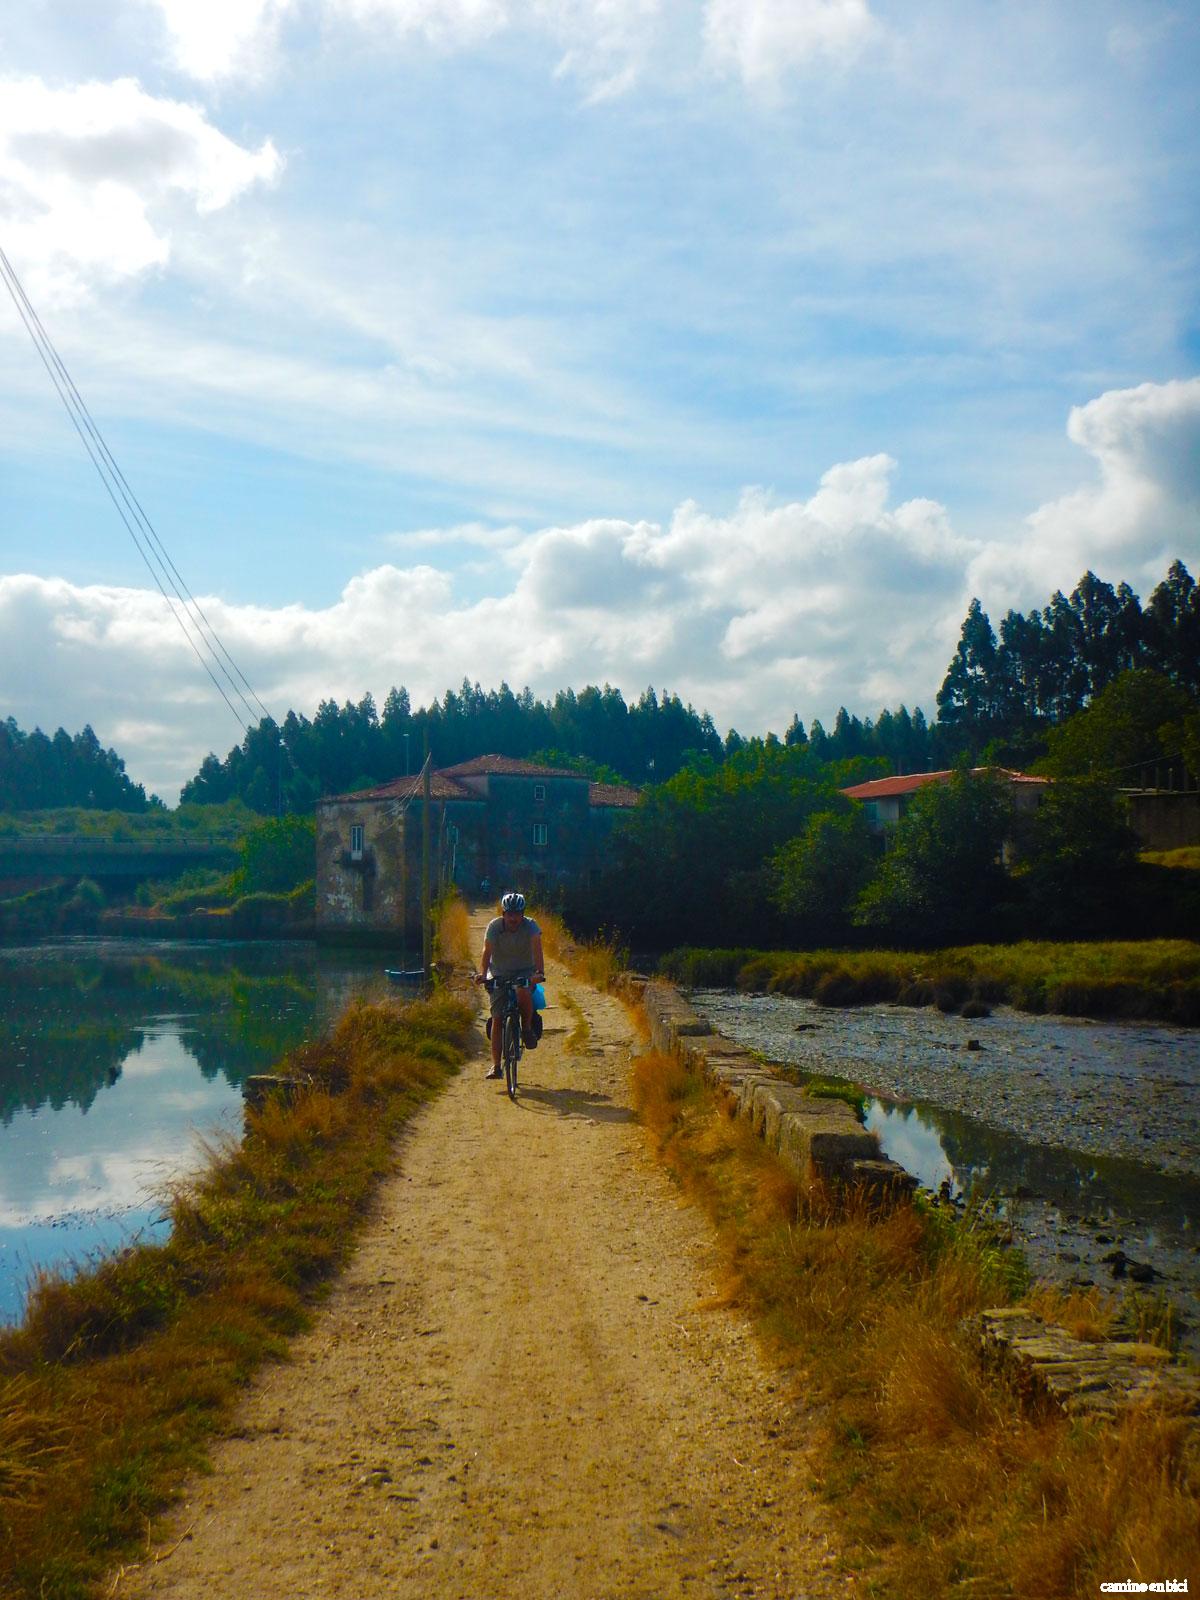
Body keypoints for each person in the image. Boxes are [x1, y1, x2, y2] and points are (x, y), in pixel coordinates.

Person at [475, 891, 544, 1080]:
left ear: (523, 914)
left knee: (522, 989)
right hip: (499, 972)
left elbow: (538, 950)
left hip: (525, 971)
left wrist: (539, 973)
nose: (513, 918)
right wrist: (482, 974)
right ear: (503, 914)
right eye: (509, 913)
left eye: (517, 913)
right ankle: (496, 1066)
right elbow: (486, 952)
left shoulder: (531, 927)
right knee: (497, 1018)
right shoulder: (494, 927)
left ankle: (527, 1029)